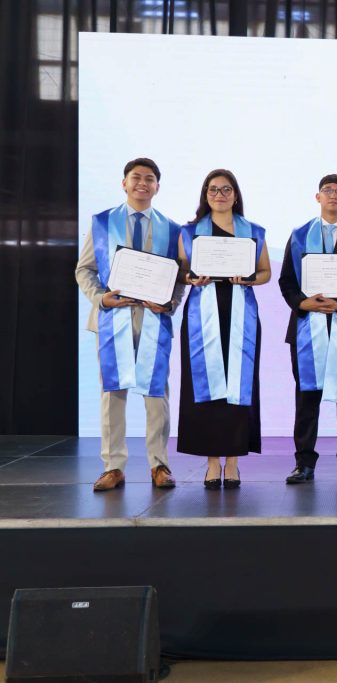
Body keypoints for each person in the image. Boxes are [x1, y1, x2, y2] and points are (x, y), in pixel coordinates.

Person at [76, 158, 184, 492]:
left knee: (156, 393)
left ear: (157, 187)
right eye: (136, 177)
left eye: (149, 179)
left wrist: (170, 303)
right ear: (124, 183)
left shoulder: (173, 229)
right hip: (113, 318)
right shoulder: (102, 222)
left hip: (154, 318)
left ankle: (159, 464)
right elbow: (84, 269)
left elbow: (179, 277)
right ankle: (113, 466)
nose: (142, 183)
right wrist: (100, 298)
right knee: (113, 392)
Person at [278, 174, 337, 486]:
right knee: (307, 395)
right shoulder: (299, 236)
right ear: (318, 197)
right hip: (307, 325)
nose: (334, 195)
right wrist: (302, 303)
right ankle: (304, 462)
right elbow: (286, 281)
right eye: (328, 190)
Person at [177, 169, 272, 489]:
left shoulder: (253, 231)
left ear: (235, 194)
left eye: (226, 189)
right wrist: (191, 278)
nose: (220, 195)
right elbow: (181, 271)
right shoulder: (189, 232)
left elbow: (265, 272)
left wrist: (249, 279)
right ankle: (211, 462)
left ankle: (232, 462)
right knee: (205, 386)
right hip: (202, 314)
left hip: (239, 312)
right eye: (213, 189)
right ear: (205, 194)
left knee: (237, 387)